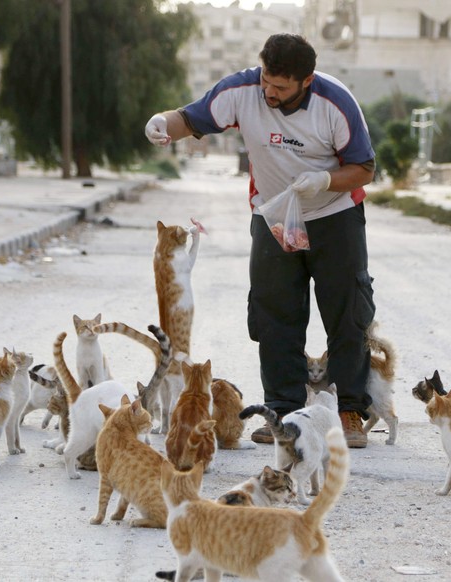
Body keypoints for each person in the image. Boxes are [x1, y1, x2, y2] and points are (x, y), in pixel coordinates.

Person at [144, 33, 376, 448]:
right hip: (272, 217)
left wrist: (324, 179)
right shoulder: (242, 90)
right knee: (274, 315)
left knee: (347, 314)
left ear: (306, 81)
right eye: (267, 79)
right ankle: (282, 412)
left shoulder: (336, 103)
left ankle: (350, 411)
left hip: (334, 217)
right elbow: (191, 117)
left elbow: (363, 168)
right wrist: (162, 124)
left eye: (281, 86)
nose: (269, 91)